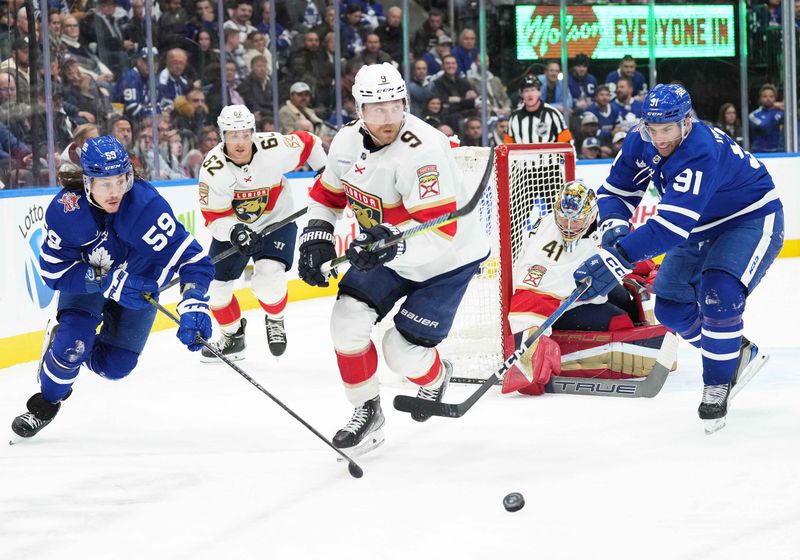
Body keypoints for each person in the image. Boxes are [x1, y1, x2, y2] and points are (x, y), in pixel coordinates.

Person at [297, 62, 489, 457]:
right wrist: (316, 236)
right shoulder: (347, 143)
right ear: (359, 111)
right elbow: (327, 199)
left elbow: (439, 233)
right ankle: (367, 412)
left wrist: (392, 245)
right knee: (346, 322)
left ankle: (435, 377)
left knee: (401, 353)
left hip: (447, 259)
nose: (389, 118)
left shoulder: (424, 150)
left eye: (396, 106)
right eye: (378, 109)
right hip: (390, 249)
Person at [573, 84, 784, 434]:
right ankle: (734, 350)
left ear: (687, 122)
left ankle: (717, 384)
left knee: (719, 294)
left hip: (749, 217)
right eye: (652, 129)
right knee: (671, 307)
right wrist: (613, 233)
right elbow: (617, 191)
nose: (658, 138)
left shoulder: (700, 149)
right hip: (697, 226)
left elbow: (670, 227)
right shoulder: (640, 139)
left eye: (667, 129)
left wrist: (619, 257)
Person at [11, 136, 214, 440]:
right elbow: (53, 272)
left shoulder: (145, 207)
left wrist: (194, 301)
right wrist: (107, 281)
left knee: (116, 367)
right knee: (71, 347)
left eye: (122, 180)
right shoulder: (66, 212)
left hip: (139, 284)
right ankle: (47, 402)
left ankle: (73, 351)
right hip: (88, 284)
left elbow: (194, 260)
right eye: (105, 184)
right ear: (87, 181)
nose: (116, 191)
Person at [502, 180, 669, 396]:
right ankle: (568, 355)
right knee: (619, 321)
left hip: (591, 291)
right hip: (563, 304)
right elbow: (533, 286)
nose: (569, 226)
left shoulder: (606, 223)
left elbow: (630, 245)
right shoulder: (545, 232)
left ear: (590, 215)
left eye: (577, 220)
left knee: (629, 297)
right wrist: (528, 341)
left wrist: (648, 272)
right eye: (563, 218)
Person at [197, 105, 326, 361]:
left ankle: (275, 318)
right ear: (222, 135)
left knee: (268, 279)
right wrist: (235, 231)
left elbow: (310, 143)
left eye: (245, 134)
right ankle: (233, 337)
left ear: (253, 133)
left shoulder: (274, 148)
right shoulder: (213, 169)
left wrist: (325, 174)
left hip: (276, 221)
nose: (240, 142)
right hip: (235, 228)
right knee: (215, 289)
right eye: (233, 135)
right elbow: (214, 218)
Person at [506, 75, 573, 144]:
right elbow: (507, 145)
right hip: (521, 154)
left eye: (533, 90)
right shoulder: (514, 117)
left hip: (548, 154)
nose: (530, 94)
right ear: (521, 94)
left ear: (539, 92)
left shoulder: (552, 114)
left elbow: (567, 142)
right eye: (526, 91)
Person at [748, 83, 784, 153]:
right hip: (759, 153)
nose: (768, 99)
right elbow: (765, 126)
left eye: (771, 96)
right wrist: (773, 109)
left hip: (778, 152)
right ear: (760, 98)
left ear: (775, 98)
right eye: (765, 96)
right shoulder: (753, 115)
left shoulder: (780, 112)